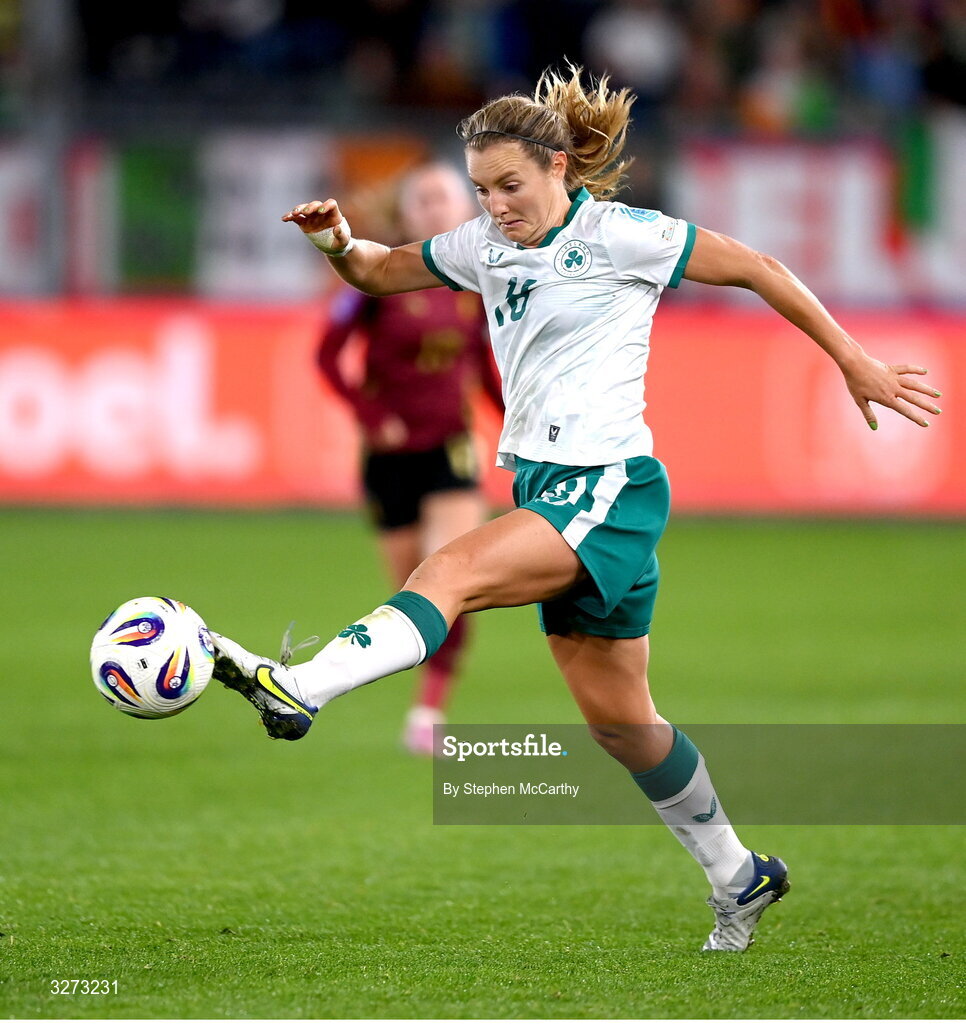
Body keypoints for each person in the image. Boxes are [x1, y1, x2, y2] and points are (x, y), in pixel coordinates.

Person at [210, 65, 942, 952]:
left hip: (608, 486)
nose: (496, 205)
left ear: (560, 168)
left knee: (448, 572)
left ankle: (298, 687)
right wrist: (335, 242)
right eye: (482, 189)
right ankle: (741, 876)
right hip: (548, 489)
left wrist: (851, 359)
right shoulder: (481, 246)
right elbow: (375, 271)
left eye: (511, 185)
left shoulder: (621, 235)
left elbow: (756, 265)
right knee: (620, 723)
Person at [316, 162, 503, 755]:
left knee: (449, 581)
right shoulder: (379, 277)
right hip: (388, 460)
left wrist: (520, 433)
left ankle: (429, 712)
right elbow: (326, 357)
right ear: (405, 215)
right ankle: (401, 689)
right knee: (409, 594)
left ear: (466, 210)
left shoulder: (482, 280)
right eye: (421, 200)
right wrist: (372, 418)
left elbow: (487, 370)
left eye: (444, 198)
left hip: (451, 449)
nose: (434, 209)